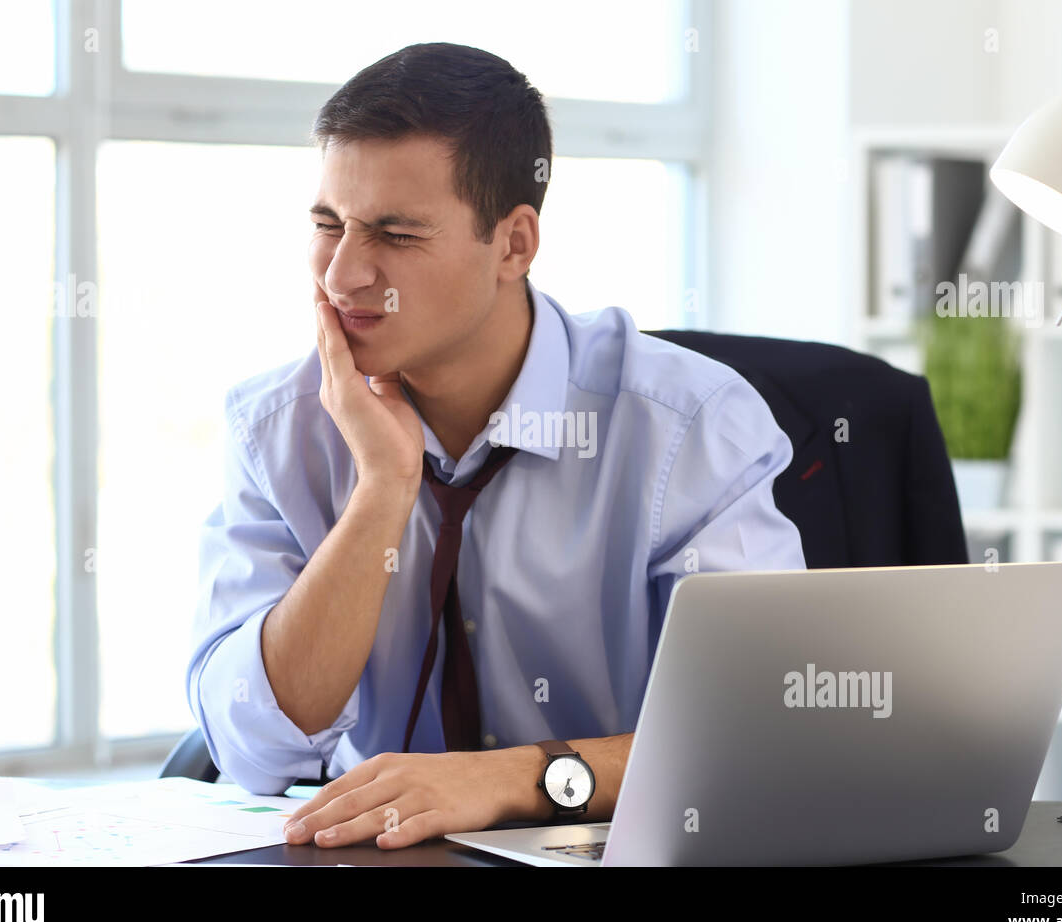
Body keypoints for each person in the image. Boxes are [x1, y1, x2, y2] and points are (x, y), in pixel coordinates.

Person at [187, 41, 805, 851]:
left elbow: (759, 731)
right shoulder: (278, 429)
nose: (342, 276)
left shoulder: (686, 426)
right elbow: (253, 748)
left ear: (514, 244)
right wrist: (380, 490)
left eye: (395, 235)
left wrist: (513, 779)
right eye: (328, 224)